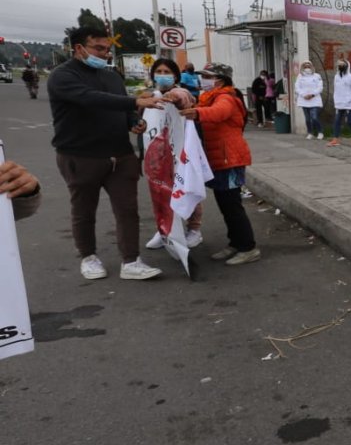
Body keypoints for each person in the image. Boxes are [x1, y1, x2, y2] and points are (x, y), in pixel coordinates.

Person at [48, 25, 164, 280]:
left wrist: (134, 120)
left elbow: (123, 110)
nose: (105, 54)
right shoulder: (62, 76)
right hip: (80, 156)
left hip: (120, 155)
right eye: (98, 48)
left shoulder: (113, 77)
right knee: (83, 210)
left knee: (127, 209)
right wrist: (135, 101)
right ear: (79, 48)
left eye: (107, 49)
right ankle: (88, 256)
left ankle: (131, 261)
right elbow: (91, 98)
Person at [179, 63, 260, 265]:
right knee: (225, 204)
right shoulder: (209, 97)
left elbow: (219, 113)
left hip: (229, 159)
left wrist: (197, 114)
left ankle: (248, 247)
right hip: (218, 160)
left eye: (207, 76)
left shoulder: (226, 97)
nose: (203, 79)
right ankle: (235, 243)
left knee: (232, 206)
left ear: (220, 80)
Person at [141, 58, 204, 250]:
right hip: (158, 154)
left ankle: (194, 230)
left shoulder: (181, 91)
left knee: (186, 189)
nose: (162, 75)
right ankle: (164, 229)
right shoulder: (151, 97)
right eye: (158, 71)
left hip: (182, 151)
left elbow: (183, 99)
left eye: (166, 71)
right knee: (161, 192)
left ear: (176, 75)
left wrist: (174, 96)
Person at [295, 60, 324, 140]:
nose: (307, 68)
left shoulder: (317, 76)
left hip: (314, 100)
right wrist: (303, 95)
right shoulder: (300, 76)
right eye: (305, 66)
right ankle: (310, 132)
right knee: (307, 119)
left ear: (312, 66)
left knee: (314, 117)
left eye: (308, 66)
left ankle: (320, 131)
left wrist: (312, 94)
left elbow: (320, 87)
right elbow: (297, 87)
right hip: (304, 100)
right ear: (303, 67)